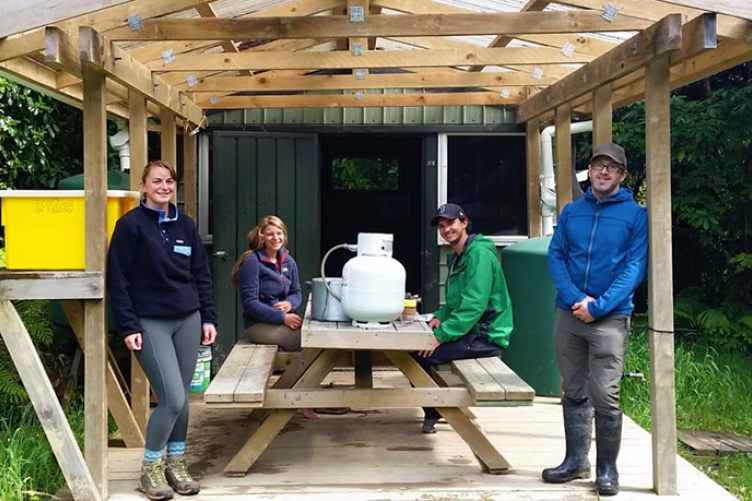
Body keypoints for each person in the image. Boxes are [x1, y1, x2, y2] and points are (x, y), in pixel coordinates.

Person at [107, 160, 218, 500]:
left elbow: (201, 273)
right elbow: (118, 279)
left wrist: (209, 318)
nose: (164, 186)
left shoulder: (185, 224)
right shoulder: (130, 226)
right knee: (170, 397)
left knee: (182, 399)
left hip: (188, 318)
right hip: (149, 321)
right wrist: (127, 324)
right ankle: (150, 469)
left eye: (169, 181)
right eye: (157, 181)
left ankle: (176, 464)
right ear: (143, 186)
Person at [543, 143, 648, 496]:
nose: (603, 172)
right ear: (590, 171)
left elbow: (634, 267)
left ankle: (607, 469)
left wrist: (599, 306)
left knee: (604, 394)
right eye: (597, 165)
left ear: (622, 175)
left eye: (611, 167)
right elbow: (556, 256)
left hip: (610, 317)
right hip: (569, 312)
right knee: (573, 388)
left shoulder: (635, 216)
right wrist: (576, 300)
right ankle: (576, 462)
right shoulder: (572, 212)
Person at [415, 203, 514, 434]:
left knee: (416, 354)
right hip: (470, 331)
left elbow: (473, 308)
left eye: (451, 223)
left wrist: (439, 336)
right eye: (441, 226)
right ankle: (436, 409)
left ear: (464, 223)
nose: (446, 229)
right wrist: (439, 317)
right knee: (416, 350)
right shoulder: (459, 256)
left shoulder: (479, 254)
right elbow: (455, 304)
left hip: (485, 337)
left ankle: (436, 410)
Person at [230, 215, 319, 420]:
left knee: (315, 344)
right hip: (260, 325)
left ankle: (298, 398)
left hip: (286, 320)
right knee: (309, 344)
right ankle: (287, 399)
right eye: (270, 234)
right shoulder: (252, 262)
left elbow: (296, 291)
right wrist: (282, 318)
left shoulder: (288, 260)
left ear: (284, 236)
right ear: (262, 236)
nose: (275, 238)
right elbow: (250, 304)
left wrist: (290, 304)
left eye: (279, 233)